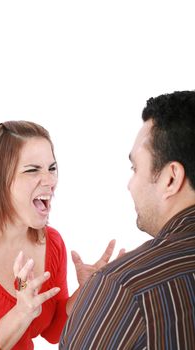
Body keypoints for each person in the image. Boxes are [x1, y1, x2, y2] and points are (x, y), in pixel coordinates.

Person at [0, 121, 119, 349]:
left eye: (52, 168)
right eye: (32, 170)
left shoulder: (52, 242)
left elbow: (53, 331)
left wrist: (82, 296)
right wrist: (21, 311)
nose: (51, 181)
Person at [59, 90, 195, 349]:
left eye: (135, 168)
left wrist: (102, 294)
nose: (130, 185)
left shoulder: (124, 288)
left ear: (171, 179)